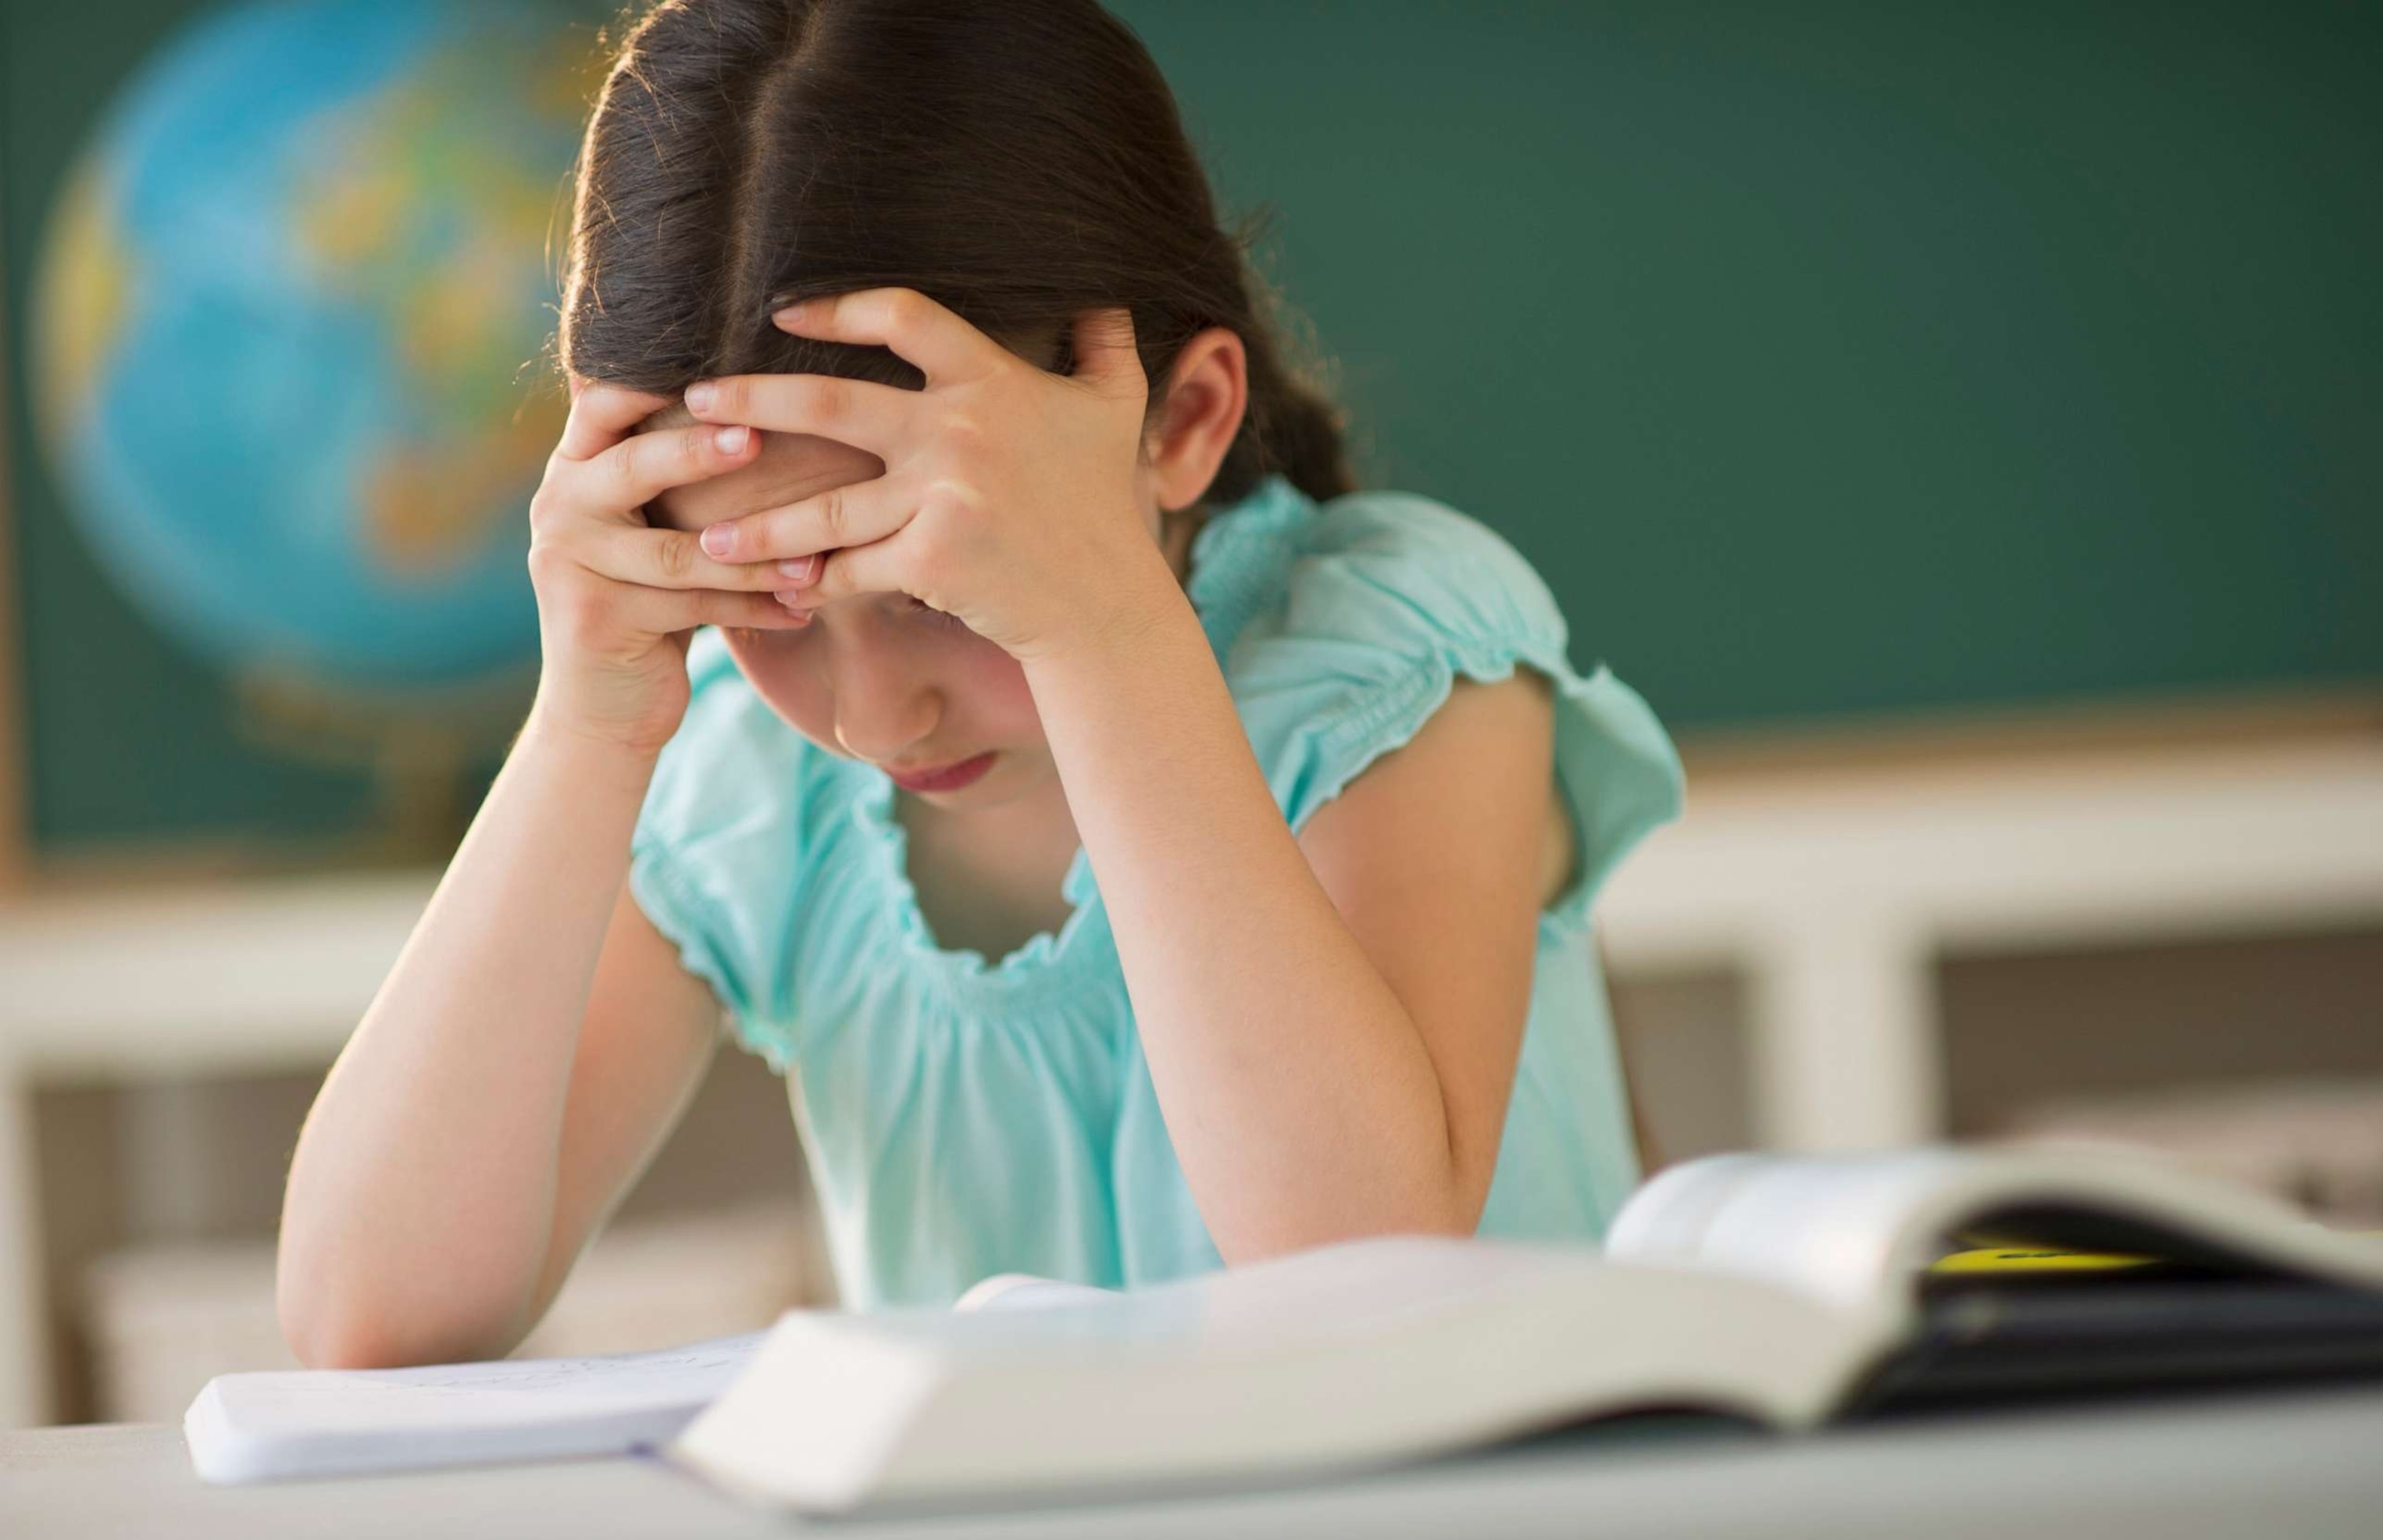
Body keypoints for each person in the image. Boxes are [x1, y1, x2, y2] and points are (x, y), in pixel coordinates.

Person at [276, 0, 1682, 1368]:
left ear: (1180, 421)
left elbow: (1359, 1267)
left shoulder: (1395, 653)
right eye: (768, 609)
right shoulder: (753, 786)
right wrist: (581, 723)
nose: (871, 716)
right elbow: (369, 1315)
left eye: (939, 596)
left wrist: (1106, 638)